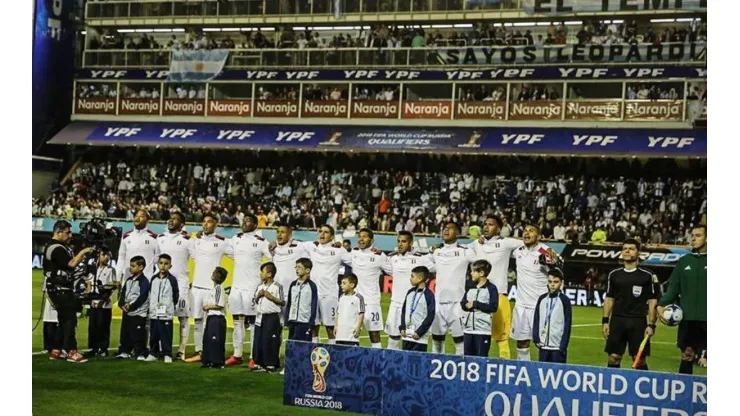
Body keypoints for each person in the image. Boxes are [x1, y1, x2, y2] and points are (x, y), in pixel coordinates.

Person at [466, 216, 523, 359]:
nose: (486, 227)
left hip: (498, 297)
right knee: (476, 337)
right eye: (485, 224)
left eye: (490, 225)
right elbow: (465, 250)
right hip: (479, 297)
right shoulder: (476, 244)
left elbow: (526, 243)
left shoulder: (506, 243)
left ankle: (504, 371)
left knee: (502, 340)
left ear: (498, 229)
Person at [43, 219, 96, 363]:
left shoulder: (54, 246)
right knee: (69, 319)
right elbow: (71, 264)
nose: (70, 235)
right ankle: (71, 351)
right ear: (58, 232)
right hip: (60, 288)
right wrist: (84, 251)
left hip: (58, 288)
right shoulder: (57, 247)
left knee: (63, 319)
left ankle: (56, 349)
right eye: (67, 232)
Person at [602, 239, 659, 371]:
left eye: (631, 248)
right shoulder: (614, 275)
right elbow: (609, 298)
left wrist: (651, 324)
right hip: (617, 320)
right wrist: (605, 321)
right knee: (613, 357)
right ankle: (612, 389)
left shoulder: (648, 275)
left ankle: (643, 390)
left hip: (638, 322)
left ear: (638, 252)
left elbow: (653, 302)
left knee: (639, 360)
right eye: (625, 248)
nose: (627, 251)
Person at [657, 225, 707, 374]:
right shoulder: (684, 261)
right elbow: (673, 289)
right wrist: (660, 305)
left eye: (698, 235)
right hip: (688, 320)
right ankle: (683, 396)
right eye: (692, 235)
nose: (693, 238)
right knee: (687, 356)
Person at [225, 214, 272, 368]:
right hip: (236, 287)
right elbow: (225, 249)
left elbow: (272, 258)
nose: (245, 223)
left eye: (249, 221)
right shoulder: (235, 239)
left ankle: (253, 356)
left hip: (252, 287)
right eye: (244, 221)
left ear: (255, 224)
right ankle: (237, 354)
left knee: (252, 323)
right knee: (237, 320)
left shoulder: (261, 242)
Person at [185, 214, 233, 363]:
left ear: (216, 225)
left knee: (209, 321)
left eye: (209, 222)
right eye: (204, 222)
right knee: (197, 320)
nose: (205, 225)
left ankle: (210, 350)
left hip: (211, 288)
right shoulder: (195, 241)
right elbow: (189, 250)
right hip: (197, 286)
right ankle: (200, 351)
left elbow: (238, 254)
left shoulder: (223, 242)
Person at [511, 224, 561, 361]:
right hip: (521, 306)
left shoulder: (544, 251)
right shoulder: (518, 250)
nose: (526, 233)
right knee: (521, 343)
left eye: (531, 231)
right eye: (525, 230)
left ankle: (543, 373)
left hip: (539, 307)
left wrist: (551, 264)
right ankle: (522, 371)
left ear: (538, 236)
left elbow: (559, 271)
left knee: (542, 343)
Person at [382, 231, 434, 350]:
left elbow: (437, 266)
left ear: (411, 243)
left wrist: (433, 250)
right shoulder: (393, 258)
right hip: (395, 304)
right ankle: (392, 367)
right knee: (393, 339)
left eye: (404, 241)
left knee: (411, 342)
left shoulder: (420, 259)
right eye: (399, 241)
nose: (400, 244)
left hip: (412, 307)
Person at [429, 222, 476, 355]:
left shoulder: (465, 251)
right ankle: (436, 370)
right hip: (438, 302)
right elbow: (424, 263)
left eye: (450, 228)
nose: (446, 230)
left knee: (460, 343)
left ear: (457, 233)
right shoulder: (436, 252)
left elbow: (482, 264)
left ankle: (460, 372)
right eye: (444, 228)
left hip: (458, 304)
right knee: (437, 341)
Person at [156, 212, 192, 360]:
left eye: (175, 219)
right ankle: (161, 349)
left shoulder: (188, 240)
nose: (171, 220)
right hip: (162, 284)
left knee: (183, 317)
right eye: (170, 217)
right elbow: (154, 261)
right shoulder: (160, 238)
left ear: (182, 224)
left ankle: (181, 351)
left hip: (181, 284)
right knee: (161, 315)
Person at [348, 228, 386, 348]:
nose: (361, 239)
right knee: (352, 332)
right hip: (355, 300)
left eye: (365, 236)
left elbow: (392, 270)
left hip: (371, 301)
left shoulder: (379, 256)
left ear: (371, 240)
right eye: (360, 236)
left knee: (374, 333)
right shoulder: (353, 253)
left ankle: (378, 359)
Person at [143, 254, 180, 363]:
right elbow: (150, 294)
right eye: (161, 263)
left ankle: (167, 354)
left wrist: (170, 306)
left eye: (166, 264)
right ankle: (153, 353)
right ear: (158, 264)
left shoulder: (172, 280)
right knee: (154, 334)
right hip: (154, 312)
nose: (163, 266)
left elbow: (175, 295)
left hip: (166, 313)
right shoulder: (153, 278)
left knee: (166, 334)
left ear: (170, 266)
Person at [532, 268, 572, 363]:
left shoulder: (564, 300)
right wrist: (536, 338)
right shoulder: (541, 299)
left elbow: (567, 324)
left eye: (556, 282)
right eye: (550, 281)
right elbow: (536, 319)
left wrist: (563, 346)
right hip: (543, 346)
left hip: (557, 348)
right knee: (543, 375)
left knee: (558, 376)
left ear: (561, 283)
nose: (552, 284)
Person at [461, 260, 499, 357]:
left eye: (473, 271)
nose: (471, 273)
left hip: (482, 331)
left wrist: (476, 304)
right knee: (467, 360)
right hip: (468, 330)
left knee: (481, 361)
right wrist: (466, 305)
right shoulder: (470, 287)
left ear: (481, 273)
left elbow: (493, 307)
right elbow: (463, 302)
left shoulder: (491, 288)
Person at [116, 256, 151, 360]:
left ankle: (140, 352)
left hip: (139, 312)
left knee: (139, 334)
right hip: (127, 311)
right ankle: (125, 350)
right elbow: (122, 294)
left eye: (133, 266)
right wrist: (121, 304)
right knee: (126, 332)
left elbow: (142, 297)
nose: (130, 268)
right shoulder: (129, 280)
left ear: (141, 267)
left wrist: (131, 306)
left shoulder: (144, 281)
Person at [252, 263, 285, 372]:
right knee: (259, 339)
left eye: (263, 272)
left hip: (272, 317)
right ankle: (258, 362)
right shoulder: (259, 287)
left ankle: (271, 362)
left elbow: (282, 302)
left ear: (269, 274)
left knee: (270, 340)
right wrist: (258, 295)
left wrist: (271, 297)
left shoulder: (277, 287)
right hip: (260, 316)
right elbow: (254, 301)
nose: (261, 274)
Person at [86, 247, 118, 358]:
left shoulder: (111, 270)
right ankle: (93, 348)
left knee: (103, 327)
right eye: (104, 254)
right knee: (92, 327)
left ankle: (103, 348)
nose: (107, 257)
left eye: (108, 255)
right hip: (92, 303)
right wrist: (89, 299)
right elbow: (88, 283)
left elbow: (112, 286)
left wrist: (102, 300)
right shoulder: (92, 269)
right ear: (98, 256)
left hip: (104, 305)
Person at [399, 266, 436, 352]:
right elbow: (404, 311)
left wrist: (420, 332)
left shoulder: (429, 295)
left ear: (420, 278)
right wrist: (402, 327)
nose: (410, 278)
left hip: (420, 338)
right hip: (407, 336)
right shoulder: (410, 292)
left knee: (417, 363)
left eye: (412, 276)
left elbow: (430, 315)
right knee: (405, 362)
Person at [116, 209, 159, 280]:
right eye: (136, 216)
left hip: (146, 280)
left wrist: (149, 270)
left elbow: (157, 258)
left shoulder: (154, 237)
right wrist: (118, 276)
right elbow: (121, 257)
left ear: (147, 220)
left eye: (141, 216)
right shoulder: (126, 236)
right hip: (128, 279)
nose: (137, 218)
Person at [202, 267, 228, 369]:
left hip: (216, 318)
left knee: (215, 340)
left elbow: (219, 304)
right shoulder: (214, 288)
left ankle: (216, 361)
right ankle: (208, 360)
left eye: (215, 273)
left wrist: (207, 307)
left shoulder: (218, 288)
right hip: (211, 317)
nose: (212, 274)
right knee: (208, 339)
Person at [335, 273, 365, 347]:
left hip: (352, 337)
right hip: (340, 335)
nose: (341, 285)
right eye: (341, 283)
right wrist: (336, 326)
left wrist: (358, 327)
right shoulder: (341, 297)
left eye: (344, 283)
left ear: (352, 285)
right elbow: (338, 313)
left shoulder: (358, 298)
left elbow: (361, 314)